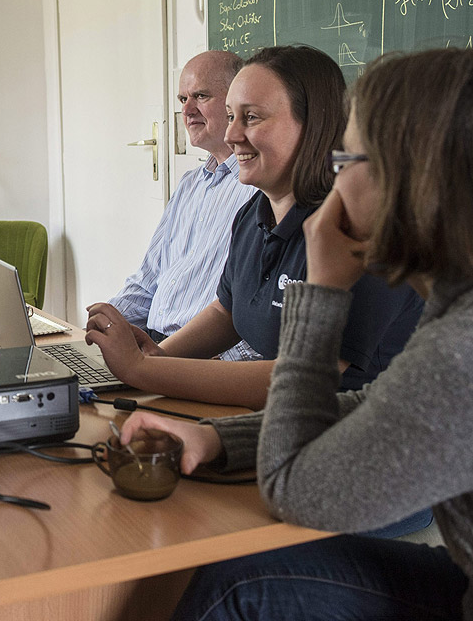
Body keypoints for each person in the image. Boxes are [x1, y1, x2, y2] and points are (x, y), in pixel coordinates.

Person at [119, 48, 473, 620]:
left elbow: (294, 489)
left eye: (348, 156)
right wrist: (217, 440)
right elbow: (377, 405)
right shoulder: (456, 304)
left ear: (408, 180)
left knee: (240, 586)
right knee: (238, 578)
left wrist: (324, 290)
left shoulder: (461, 349)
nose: (336, 174)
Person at [86, 46, 424, 410]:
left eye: (252, 118)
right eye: (231, 116)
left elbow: (299, 378)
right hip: (268, 422)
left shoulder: (356, 226)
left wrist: (143, 371)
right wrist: (156, 357)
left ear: (313, 125)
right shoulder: (253, 213)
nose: (232, 134)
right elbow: (226, 312)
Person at [103, 50, 258, 360]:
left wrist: (159, 365)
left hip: (197, 358)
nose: (186, 111)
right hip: (153, 346)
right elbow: (146, 281)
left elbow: (243, 322)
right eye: (182, 99)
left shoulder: (257, 189)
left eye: (200, 96)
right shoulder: (190, 185)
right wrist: (101, 330)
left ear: (235, 103)